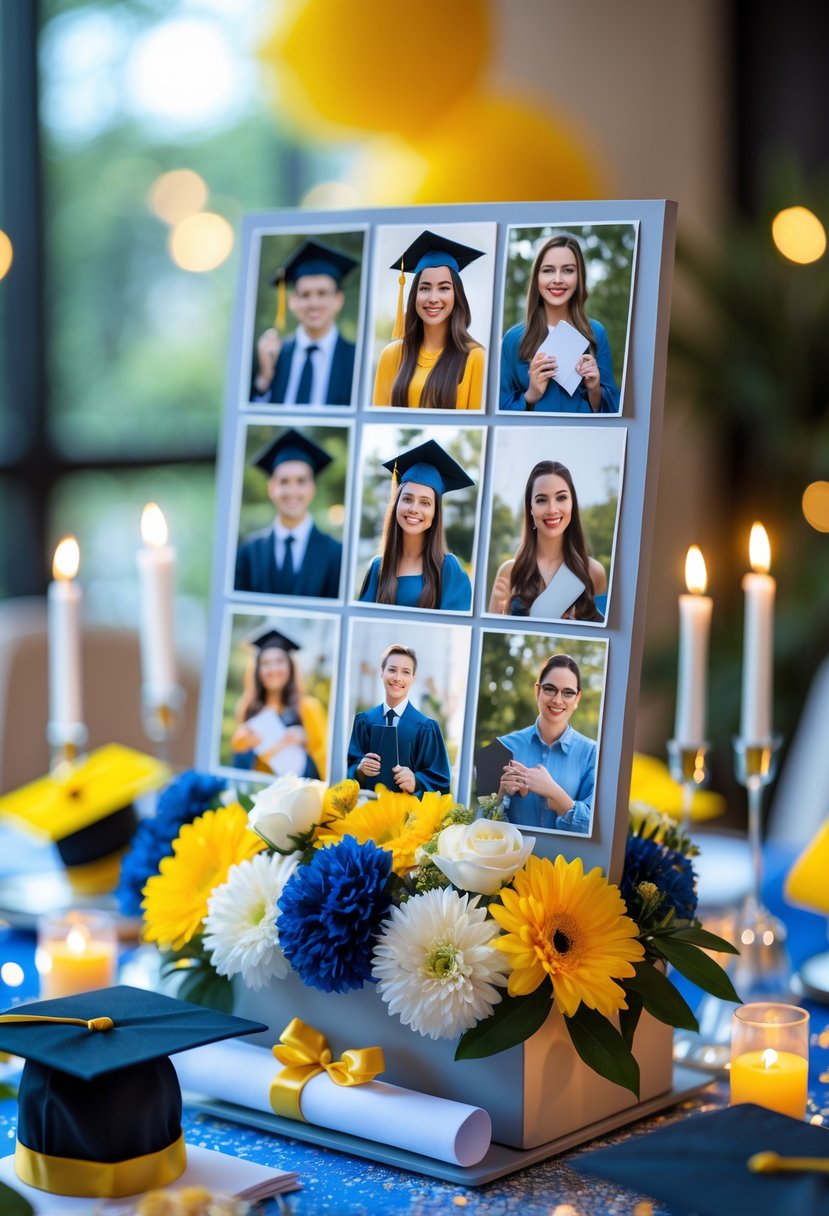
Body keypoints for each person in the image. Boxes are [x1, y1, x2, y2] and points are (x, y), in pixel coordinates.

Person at [499, 233, 620, 413]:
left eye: (568, 270)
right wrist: (531, 394)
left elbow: (613, 410)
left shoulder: (595, 332)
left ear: (579, 277)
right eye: (548, 270)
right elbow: (500, 406)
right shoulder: (513, 339)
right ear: (536, 278)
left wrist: (594, 387)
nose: (557, 279)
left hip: (580, 436)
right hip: (534, 437)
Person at [373, 230, 486, 410]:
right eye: (425, 288)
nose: (433, 298)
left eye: (444, 288)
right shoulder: (392, 355)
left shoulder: (475, 357)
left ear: (456, 295)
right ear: (414, 296)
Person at [359, 438, 474, 611]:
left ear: (436, 514)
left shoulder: (448, 569)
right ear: (396, 504)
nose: (414, 509)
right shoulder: (378, 567)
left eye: (425, 503)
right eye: (407, 499)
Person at [488, 460, 606, 621]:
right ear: (530, 508)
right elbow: (490, 637)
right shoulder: (510, 572)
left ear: (572, 504)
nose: (552, 510)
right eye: (541, 500)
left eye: (561, 497)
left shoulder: (594, 572)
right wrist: (500, 611)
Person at [235, 428, 342, 598]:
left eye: (301, 481)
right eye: (284, 481)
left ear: (312, 488)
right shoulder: (247, 552)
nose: (292, 491)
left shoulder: (336, 554)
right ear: (271, 488)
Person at [496, 654, 596, 833]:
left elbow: (596, 829)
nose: (558, 700)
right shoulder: (502, 747)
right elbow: (480, 827)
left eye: (568, 692)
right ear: (537, 691)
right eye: (550, 689)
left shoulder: (593, 753)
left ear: (577, 699)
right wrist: (501, 796)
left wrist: (554, 792)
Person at [251, 239, 358, 406]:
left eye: (322, 293)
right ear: (293, 301)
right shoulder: (274, 356)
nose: (313, 303)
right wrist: (265, 377)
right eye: (305, 295)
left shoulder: (356, 360)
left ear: (338, 300)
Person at [346, 643, 451, 795]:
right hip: (367, 811)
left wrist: (416, 782)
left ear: (413, 678)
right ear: (382, 672)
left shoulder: (426, 728)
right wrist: (360, 770)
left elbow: (441, 780)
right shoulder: (364, 721)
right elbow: (348, 769)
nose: (397, 678)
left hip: (409, 815)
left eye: (405, 672)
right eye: (392, 670)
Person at [230, 627, 327, 779]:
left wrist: (304, 740)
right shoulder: (249, 709)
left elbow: (324, 759)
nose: (273, 669)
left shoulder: (308, 708)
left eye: (279, 661)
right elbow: (240, 767)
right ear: (257, 669)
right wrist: (244, 742)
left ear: (290, 666)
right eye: (266, 663)